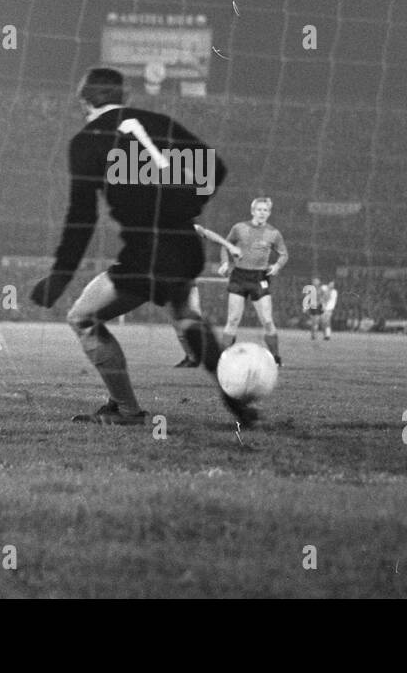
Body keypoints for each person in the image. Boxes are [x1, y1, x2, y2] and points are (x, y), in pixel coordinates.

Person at [30, 67, 256, 426]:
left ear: (83, 100)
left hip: (146, 248)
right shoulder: (157, 120)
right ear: (125, 97)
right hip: (184, 244)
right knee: (186, 315)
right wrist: (185, 206)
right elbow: (216, 168)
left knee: (83, 317)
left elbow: (81, 217)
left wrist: (59, 277)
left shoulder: (87, 140)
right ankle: (236, 401)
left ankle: (127, 410)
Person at [219, 197, 288, 364]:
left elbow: (284, 254)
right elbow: (224, 245)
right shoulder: (239, 228)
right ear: (253, 211)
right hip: (239, 276)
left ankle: (276, 358)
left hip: (259, 278)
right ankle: (222, 358)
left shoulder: (273, 233)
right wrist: (225, 263)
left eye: (265, 210)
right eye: (259, 209)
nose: (262, 213)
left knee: (267, 320)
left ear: (269, 213)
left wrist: (277, 266)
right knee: (233, 319)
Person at [171, 224, 242, 367]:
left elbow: (208, 233)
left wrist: (229, 246)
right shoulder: (162, 229)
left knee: (192, 320)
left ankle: (217, 350)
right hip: (169, 282)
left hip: (186, 282)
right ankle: (192, 357)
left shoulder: (187, 225)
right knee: (178, 323)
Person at [307, 276, 339, 340]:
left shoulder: (334, 292)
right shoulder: (323, 288)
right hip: (319, 307)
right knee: (317, 322)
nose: (331, 285)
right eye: (330, 284)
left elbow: (326, 298)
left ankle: (327, 336)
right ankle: (316, 336)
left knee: (325, 322)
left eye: (332, 284)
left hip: (328, 309)